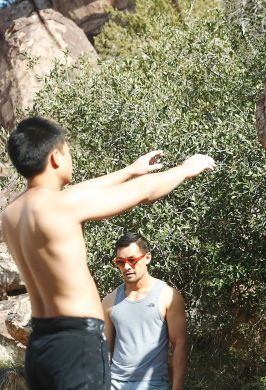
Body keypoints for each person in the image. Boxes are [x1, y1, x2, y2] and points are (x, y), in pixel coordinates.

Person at [2, 116, 216, 390]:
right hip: (76, 344)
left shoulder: (12, 214)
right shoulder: (61, 206)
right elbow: (145, 191)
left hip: (41, 345)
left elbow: (78, 191)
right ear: (56, 157)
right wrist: (186, 169)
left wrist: (129, 170)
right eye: (67, 151)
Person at [102, 232, 186, 390]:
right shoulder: (109, 301)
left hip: (153, 384)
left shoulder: (168, 296)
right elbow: (105, 349)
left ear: (147, 258)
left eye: (132, 260)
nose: (126, 267)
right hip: (115, 383)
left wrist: (177, 386)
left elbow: (179, 344)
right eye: (120, 262)